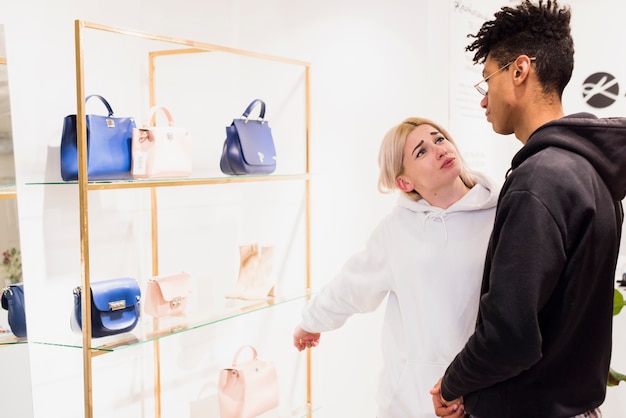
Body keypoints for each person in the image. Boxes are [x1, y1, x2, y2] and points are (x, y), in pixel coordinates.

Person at [431, 1, 626, 417]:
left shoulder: (538, 182)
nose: (484, 101)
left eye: (487, 81)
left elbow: (510, 336)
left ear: (519, 70)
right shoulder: (592, 172)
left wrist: (452, 384)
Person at [293, 116, 498, 418]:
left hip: (484, 393)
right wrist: (311, 321)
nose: (439, 149)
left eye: (439, 139)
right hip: (412, 402)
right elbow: (353, 284)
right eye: (421, 151)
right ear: (404, 182)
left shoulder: (501, 210)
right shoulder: (397, 229)